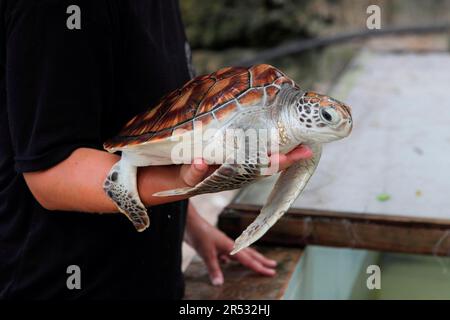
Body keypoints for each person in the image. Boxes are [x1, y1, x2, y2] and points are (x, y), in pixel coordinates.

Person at [0, 0, 313, 299]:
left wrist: (187, 221)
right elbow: (51, 172)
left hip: (147, 280)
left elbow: (144, 123)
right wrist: (185, 182)